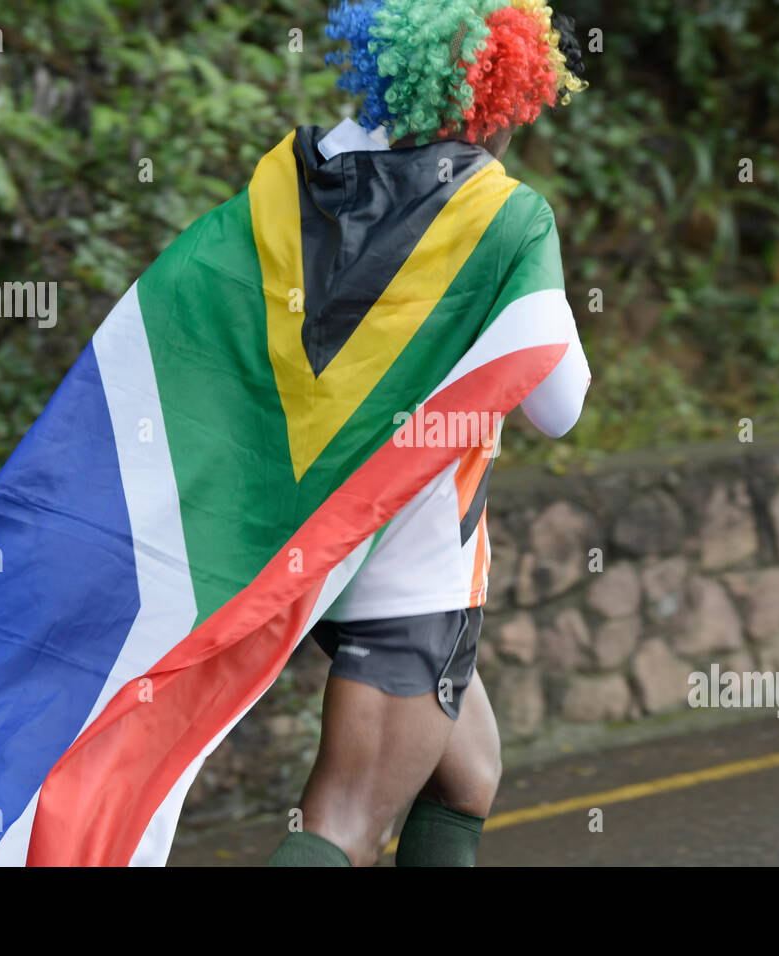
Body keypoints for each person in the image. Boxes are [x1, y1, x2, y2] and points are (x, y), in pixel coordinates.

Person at [267, 0, 591, 868]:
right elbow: (559, 406)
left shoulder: (302, 173)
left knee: (466, 776)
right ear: (503, 94)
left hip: (302, 536)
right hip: (411, 563)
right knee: (342, 821)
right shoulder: (499, 213)